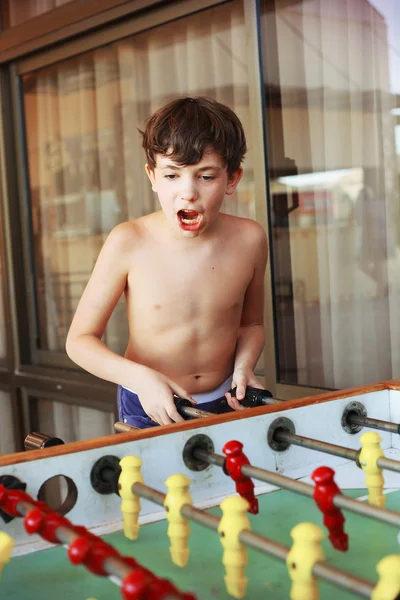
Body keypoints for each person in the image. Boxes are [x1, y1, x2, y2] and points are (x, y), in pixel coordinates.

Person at [66, 96, 268, 428]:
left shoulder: (251, 239)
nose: (188, 193)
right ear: (153, 176)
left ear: (232, 178)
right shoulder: (128, 240)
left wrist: (244, 367)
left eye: (206, 177)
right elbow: (79, 340)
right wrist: (142, 379)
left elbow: (251, 325)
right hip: (149, 403)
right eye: (172, 176)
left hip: (227, 398)